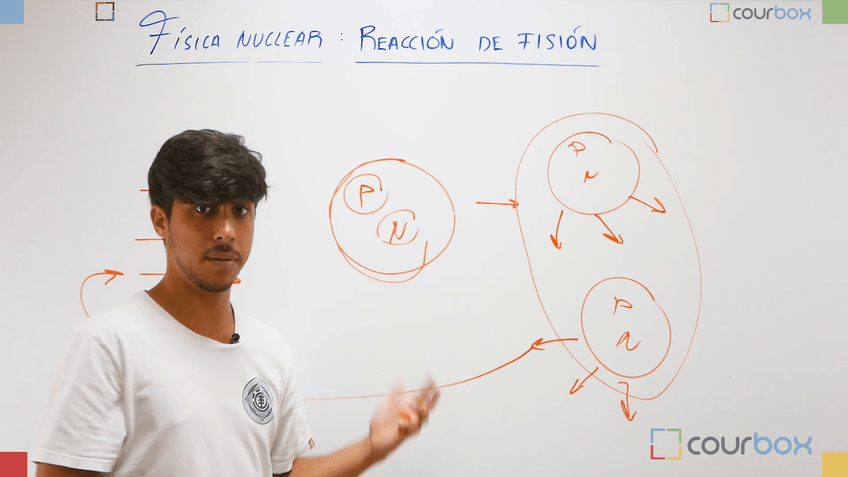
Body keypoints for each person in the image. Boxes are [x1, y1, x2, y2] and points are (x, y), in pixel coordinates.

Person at [32, 129, 440, 477]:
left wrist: (372, 448)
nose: (226, 230)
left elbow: (284, 472)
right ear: (160, 221)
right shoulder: (107, 345)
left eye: (241, 210)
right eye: (203, 210)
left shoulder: (269, 349)